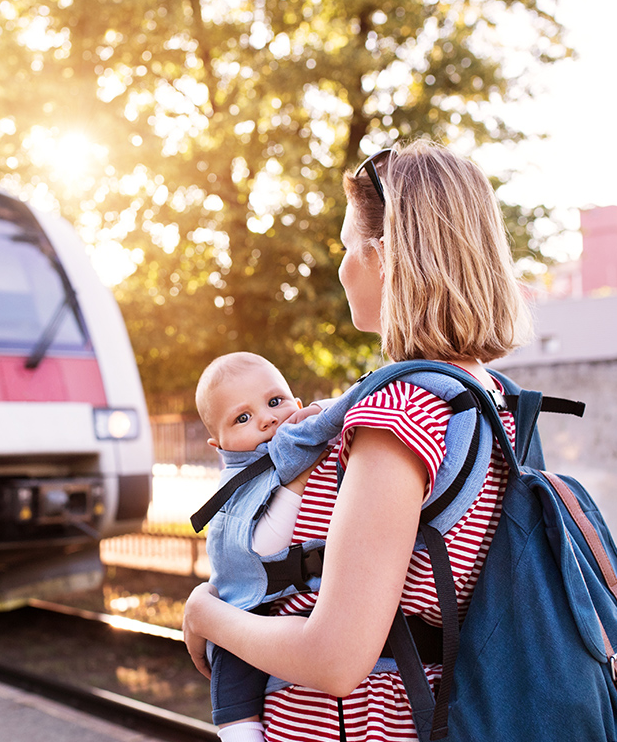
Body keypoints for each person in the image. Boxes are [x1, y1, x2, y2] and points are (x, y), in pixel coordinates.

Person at [182, 139, 534, 741]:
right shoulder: (486, 393)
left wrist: (205, 613)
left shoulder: (399, 414)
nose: (342, 268)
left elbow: (336, 659)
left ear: (385, 258)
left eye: (348, 248)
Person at [193, 351, 320, 742]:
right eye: (242, 418)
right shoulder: (239, 483)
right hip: (245, 604)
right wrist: (295, 485)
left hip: (299, 614)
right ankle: (238, 732)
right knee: (232, 673)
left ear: (297, 406)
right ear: (220, 444)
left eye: (275, 401)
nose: (267, 418)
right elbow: (263, 549)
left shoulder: (315, 444)